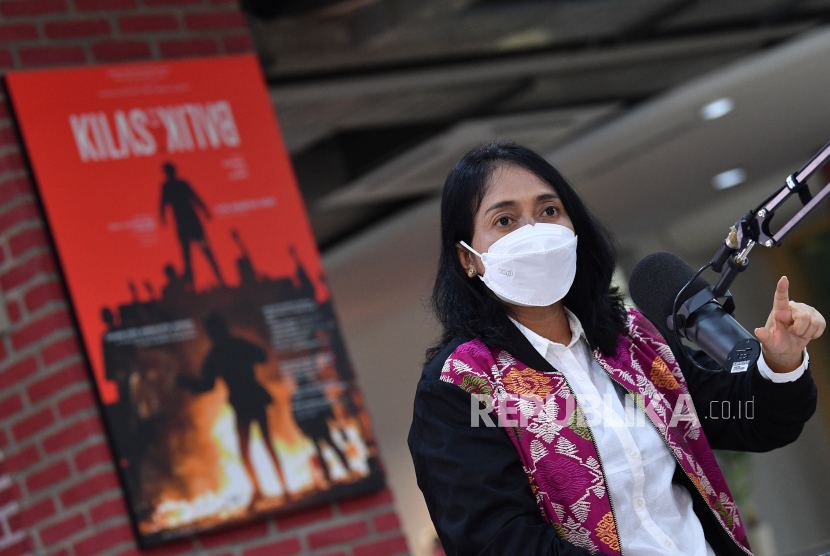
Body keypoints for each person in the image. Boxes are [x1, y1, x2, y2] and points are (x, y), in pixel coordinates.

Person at [408, 142, 825, 556]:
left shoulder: (632, 336)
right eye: (505, 220)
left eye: (548, 211)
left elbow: (749, 420)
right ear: (468, 258)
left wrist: (781, 361)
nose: (534, 231)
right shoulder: (458, 385)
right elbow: (498, 543)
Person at [177, 312, 289, 504]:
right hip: (253, 397)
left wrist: (186, 383)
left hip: (241, 401)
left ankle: (262, 489)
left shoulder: (217, 353)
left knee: (246, 448)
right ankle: (282, 488)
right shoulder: (236, 345)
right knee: (265, 444)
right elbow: (262, 357)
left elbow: (207, 385)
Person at [159, 162, 224, 288]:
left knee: (203, 252)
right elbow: (163, 204)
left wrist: (205, 210)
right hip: (186, 226)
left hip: (191, 225)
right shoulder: (168, 186)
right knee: (190, 257)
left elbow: (195, 197)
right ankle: (195, 285)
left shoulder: (178, 184)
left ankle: (219, 279)